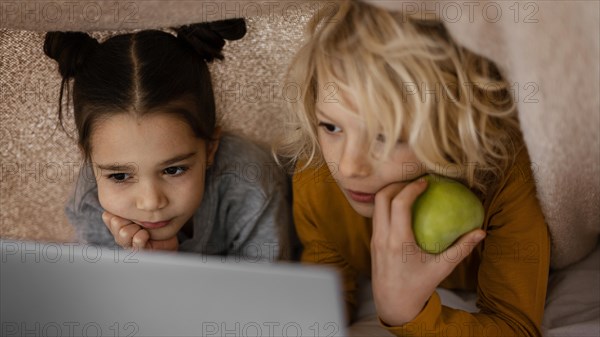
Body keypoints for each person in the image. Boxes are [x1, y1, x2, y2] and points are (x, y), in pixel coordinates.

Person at [278, 1, 550, 336]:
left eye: (387, 137)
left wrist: (405, 311)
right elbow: (327, 283)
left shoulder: (505, 177)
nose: (348, 167)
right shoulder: (316, 177)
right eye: (331, 127)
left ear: (454, 127)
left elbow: (515, 326)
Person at [44, 19, 291, 261]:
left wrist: (171, 266)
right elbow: (105, 299)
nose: (151, 202)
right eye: (119, 176)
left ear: (210, 148)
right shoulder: (89, 202)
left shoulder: (250, 184)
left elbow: (263, 297)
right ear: (89, 159)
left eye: (174, 170)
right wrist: (142, 265)